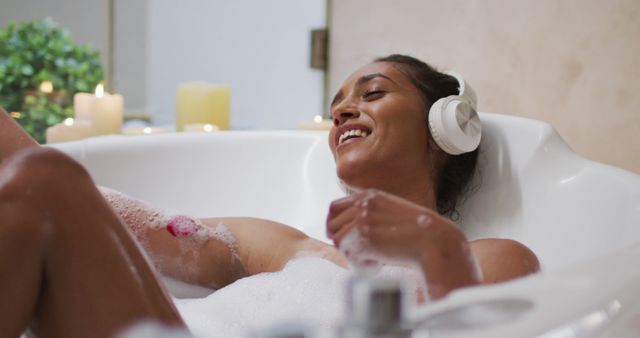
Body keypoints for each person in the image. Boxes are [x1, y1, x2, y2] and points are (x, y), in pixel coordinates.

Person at [0, 54, 539, 338]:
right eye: (338, 104)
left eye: (373, 93)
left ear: (445, 131)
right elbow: (124, 225)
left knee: (45, 182)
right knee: (39, 186)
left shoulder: (486, 258)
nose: (345, 110)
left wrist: (433, 246)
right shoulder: (292, 251)